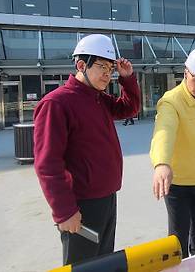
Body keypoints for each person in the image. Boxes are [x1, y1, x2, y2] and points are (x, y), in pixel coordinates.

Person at [33, 34, 140, 265]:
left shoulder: (98, 98)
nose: (107, 74)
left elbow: (129, 108)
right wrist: (64, 211)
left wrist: (128, 79)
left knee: (102, 263)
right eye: (102, 66)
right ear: (81, 65)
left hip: (106, 198)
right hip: (81, 205)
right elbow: (47, 164)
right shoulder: (56, 104)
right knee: (82, 266)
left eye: (110, 68)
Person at [150, 46, 195, 258]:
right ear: (185, 72)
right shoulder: (171, 101)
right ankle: (178, 267)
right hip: (178, 184)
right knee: (178, 236)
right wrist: (162, 163)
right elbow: (164, 132)